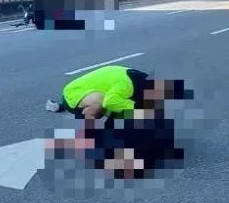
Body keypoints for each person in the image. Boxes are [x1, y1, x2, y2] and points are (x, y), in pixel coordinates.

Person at [46, 66, 186, 180]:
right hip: (73, 93)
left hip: (99, 93)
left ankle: (109, 148)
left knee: (128, 113)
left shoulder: (142, 86)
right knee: (105, 103)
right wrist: (140, 112)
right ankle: (90, 139)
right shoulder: (129, 84)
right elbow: (110, 102)